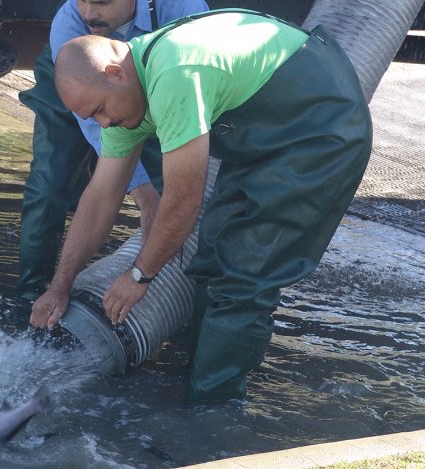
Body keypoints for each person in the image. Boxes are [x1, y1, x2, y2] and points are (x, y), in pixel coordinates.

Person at [30, 9, 372, 401]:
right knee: (208, 263)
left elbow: (183, 199)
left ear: (114, 72)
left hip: (322, 132)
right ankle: (196, 383)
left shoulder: (174, 72)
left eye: (99, 110)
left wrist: (139, 275)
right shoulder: (128, 96)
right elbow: (100, 196)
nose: (103, 124)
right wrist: (59, 286)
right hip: (264, 142)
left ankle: (211, 416)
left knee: (244, 280)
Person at [17, 0, 209, 300]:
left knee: (172, 192)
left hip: (167, 84)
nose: (89, 13)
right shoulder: (69, 25)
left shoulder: (184, 9)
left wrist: (158, 200)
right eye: (81, 1)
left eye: (101, 2)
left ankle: (173, 295)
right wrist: (142, 195)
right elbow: (99, 125)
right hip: (76, 82)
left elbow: (197, 98)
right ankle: (32, 297)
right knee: (50, 183)